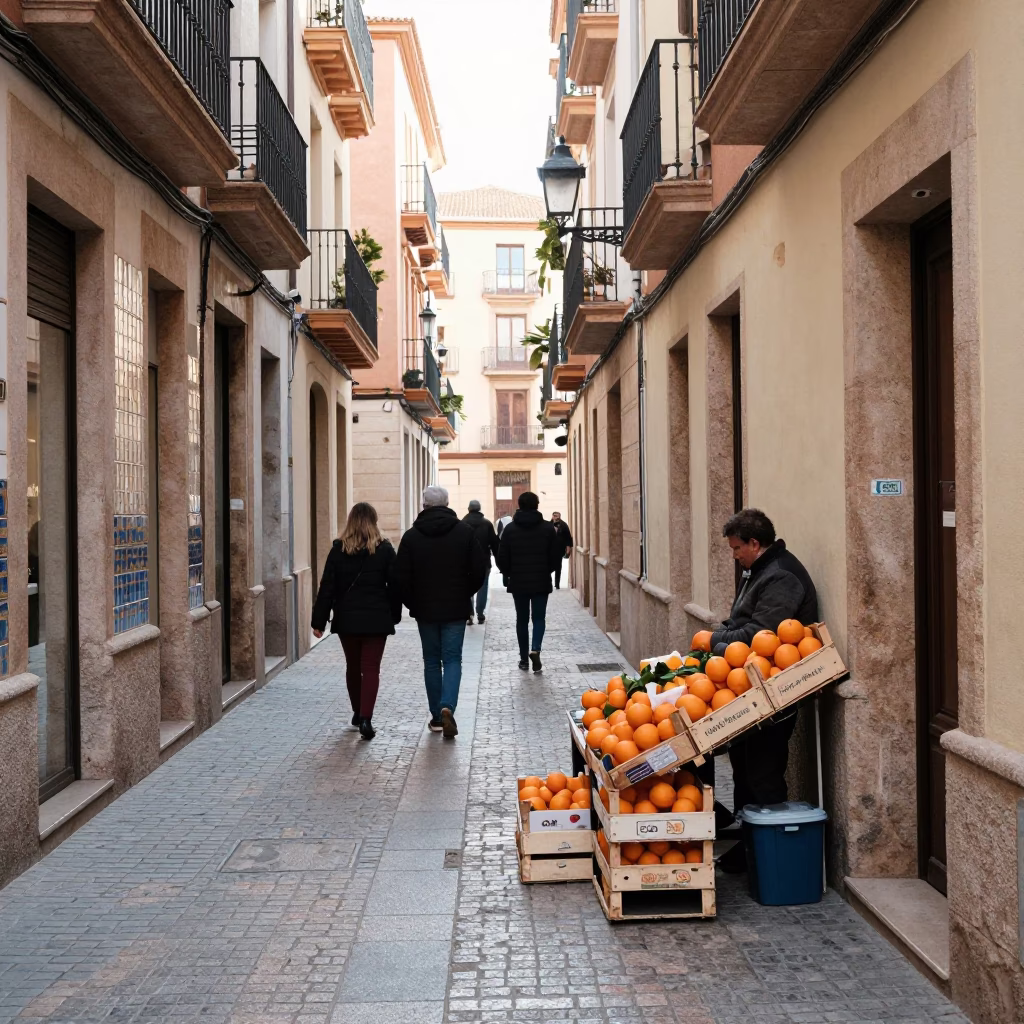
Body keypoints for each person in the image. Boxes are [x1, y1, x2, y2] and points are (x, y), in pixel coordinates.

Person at [710, 507, 819, 871]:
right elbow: (740, 623)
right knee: (743, 766)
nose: (734, 554)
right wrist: (724, 635)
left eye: (737, 548)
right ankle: (748, 844)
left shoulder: (781, 577)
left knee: (763, 771)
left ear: (755, 543)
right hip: (750, 687)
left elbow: (761, 635)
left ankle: (771, 852)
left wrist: (714, 639)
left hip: (773, 694)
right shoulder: (758, 570)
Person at [395, 485, 489, 739]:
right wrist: (464, 592)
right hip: (455, 608)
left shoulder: (412, 536)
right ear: (447, 505)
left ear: (424, 505)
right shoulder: (464, 532)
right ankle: (448, 705)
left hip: (425, 609)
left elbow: (400, 577)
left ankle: (437, 717)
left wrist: (412, 602)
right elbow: (480, 570)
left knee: (431, 661)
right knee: (452, 659)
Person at [311, 502, 402, 741]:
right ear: (374, 521)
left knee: (353, 666)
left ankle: (357, 711)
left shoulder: (338, 550)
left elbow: (326, 588)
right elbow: (395, 587)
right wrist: (394, 614)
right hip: (376, 619)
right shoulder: (384, 550)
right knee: (371, 668)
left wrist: (319, 621)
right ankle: (366, 718)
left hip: (348, 619)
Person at [497, 491, 563, 673]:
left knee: (522, 619)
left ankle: (523, 658)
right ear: (537, 505)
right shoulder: (548, 528)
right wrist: (546, 570)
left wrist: (509, 572)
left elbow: (502, 557)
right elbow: (555, 555)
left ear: (519, 505)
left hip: (518, 581)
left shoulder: (509, 529)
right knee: (539, 617)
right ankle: (536, 648)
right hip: (541, 579)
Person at [462, 500, 499, 625]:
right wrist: (499, 560)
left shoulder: (462, 523)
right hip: (483, 561)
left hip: (466, 561)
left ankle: (469, 613)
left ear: (469, 509)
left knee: (467, 588)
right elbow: (494, 543)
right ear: (479, 509)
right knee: (483, 587)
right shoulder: (487, 524)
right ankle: (480, 613)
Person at [549, 511, 573, 589]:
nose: (556, 517)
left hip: (560, 549)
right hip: (550, 549)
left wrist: (568, 547)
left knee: (558, 566)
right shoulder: (548, 525)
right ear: (552, 516)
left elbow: (568, 537)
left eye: (557, 516)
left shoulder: (564, 525)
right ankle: (549, 583)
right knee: (549, 566)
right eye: (555, 516)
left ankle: (557, 584)